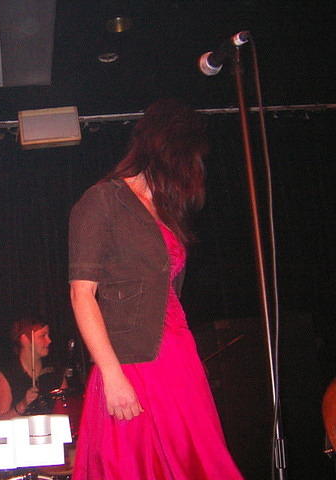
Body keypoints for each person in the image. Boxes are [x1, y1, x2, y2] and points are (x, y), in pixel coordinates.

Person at [68, 99, 243, 479]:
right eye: (189, 158)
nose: (193, 170)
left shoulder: (164, 209)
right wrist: (112, 376)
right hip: (133, 360)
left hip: (179, 352)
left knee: (197, 460)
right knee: (137, 464)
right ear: (167, 150)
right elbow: (82, 294)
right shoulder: (104, 199)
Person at [0, 317, 66, 419]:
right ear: (24, 339)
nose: (49, 341)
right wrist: (23, 404)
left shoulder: (55, 372)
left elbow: (66, 413)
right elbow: (0, 420)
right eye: (42, 336)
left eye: (48, 335)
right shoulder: (8, 374)